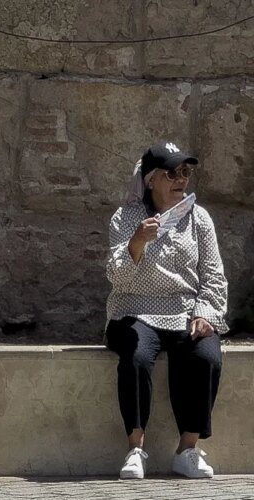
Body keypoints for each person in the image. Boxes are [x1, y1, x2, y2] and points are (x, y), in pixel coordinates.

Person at [105, 142, 227, 479]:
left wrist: (204, 312)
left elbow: (213, 275)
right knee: (136, 355)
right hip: (134, 310)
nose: (181, 179)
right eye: (172, 173)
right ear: (150, 180)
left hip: (185, 311)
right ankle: (135, 449)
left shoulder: (198, 218)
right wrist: (137, 243)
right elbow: (117, 278)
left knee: (207, 356)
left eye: (186, 172)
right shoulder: (126, 217)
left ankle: (187, 450)